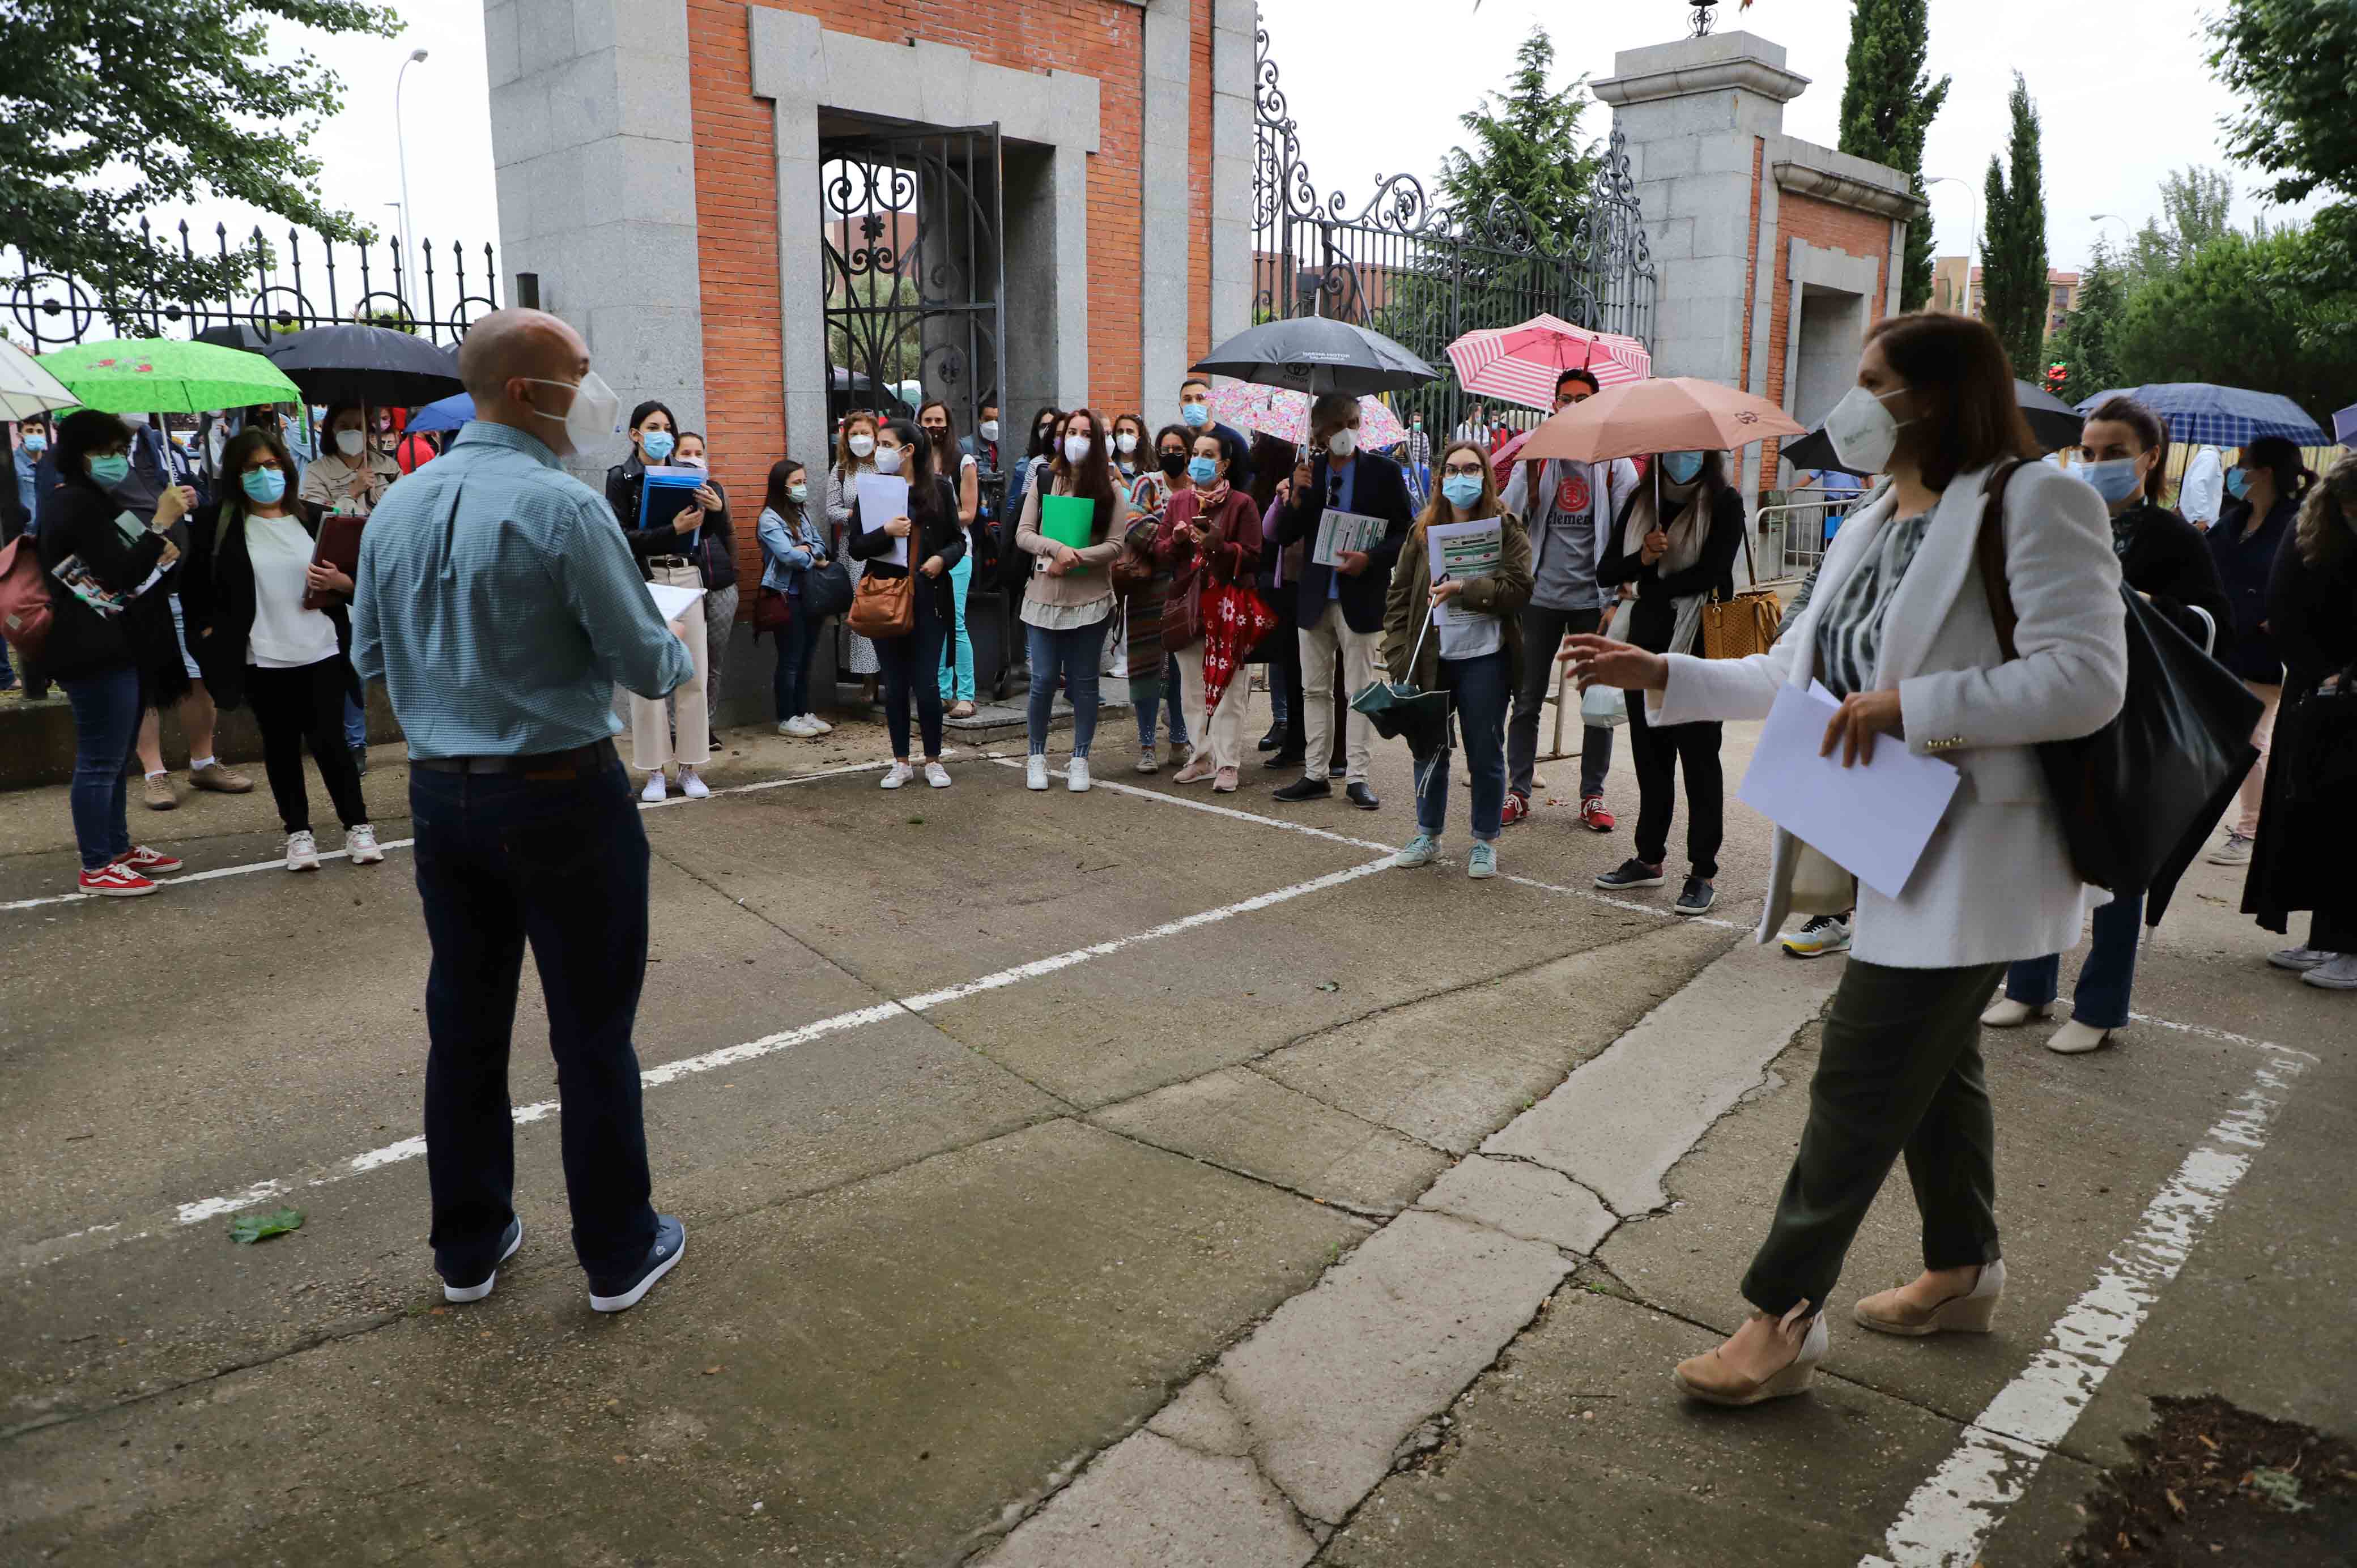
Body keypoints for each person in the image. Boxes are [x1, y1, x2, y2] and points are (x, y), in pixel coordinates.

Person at [1568, 309, 2126, 1406]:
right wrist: (1661, 674)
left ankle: (1780, 1318)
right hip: (1887, 841)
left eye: (1875, 379)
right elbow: (1792, 675)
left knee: (1861, 1074)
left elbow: (2086, 680)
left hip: (1977, 853)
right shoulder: (1875, 516)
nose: (1854, 397)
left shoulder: (2034, 500)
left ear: (1938, 395)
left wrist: (1915, 709)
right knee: (1932, 1073)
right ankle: (1964, 1270)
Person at [353, 306, 694, 1314]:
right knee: (591, 1031)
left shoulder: (398, 506)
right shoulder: (564, 508)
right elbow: (648, 660)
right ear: (522, 390)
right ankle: (617, 1250)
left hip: (442, 794)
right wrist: (655, 642)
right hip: (559, 791)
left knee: (464, 1021)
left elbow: (372, 659)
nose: (594, 392)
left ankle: (468, 1245)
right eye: (578, 373)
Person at [1982, 397, 2230, 1053]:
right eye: (2088, 453)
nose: (2096, 465)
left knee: (2120, 866)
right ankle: (2027, 985)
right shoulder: (2061, 519)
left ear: (2149, 458)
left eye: (2113, 453)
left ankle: (2098, 1005)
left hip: (2132, 721)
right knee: (2041, 851)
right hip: (2054, 710)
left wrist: (2147, 604)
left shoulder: (2174, 538)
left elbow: (2213, 627)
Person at [181, 424, 383, 873]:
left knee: (332, 744)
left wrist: (342, 585)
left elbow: (361, 582)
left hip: (323, 649)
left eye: (272, 465)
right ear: (236, 474)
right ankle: (298, 834)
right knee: (281, 748)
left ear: (286, 469)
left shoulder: (315, 518)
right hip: (262, 658)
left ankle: (358, 825)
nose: (264, 475)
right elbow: (194, 590)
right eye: (253, 468)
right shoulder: (218, 525)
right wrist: (211, 638)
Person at [32, 411, 192, 896]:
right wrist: (160, 521)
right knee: (99, 758)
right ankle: (96, 865)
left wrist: (157, 543)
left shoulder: (95, 501)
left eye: (121, 452)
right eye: (106, 452)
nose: (116, 461)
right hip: (91, 647)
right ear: (80, 455)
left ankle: (117, 847)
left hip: (116, 640)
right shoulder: (73, 504)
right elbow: (119, 574)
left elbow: (133, 560)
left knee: (117, 753)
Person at [1590, 446, 1745, 914]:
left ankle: (1702, 871)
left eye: (1693, 449)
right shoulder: (1643, 500)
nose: (1683, 457)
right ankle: (1648, 858)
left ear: (1708, 454)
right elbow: (1607, 571)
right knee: (1650, 755)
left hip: (1699, 643)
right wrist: (1643, 555)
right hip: (1646, 643)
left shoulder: (1725, 501)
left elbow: (1713, 572)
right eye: (1674, 450)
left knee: (1700, 759)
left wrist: (1646, 584)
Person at [1500, 367, 1641, 832]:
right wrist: (1533, 465)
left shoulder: (1614, 465)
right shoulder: (1537, 456)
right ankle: (1518, 790)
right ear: (1554, 403)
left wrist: (1619, 597)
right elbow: (1508, 513)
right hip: (1539, 597)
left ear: (1598, 404)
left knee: (1596, 700)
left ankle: (1592, 795)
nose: (1574, 405)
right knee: (1527, 698)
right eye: (1566, 398)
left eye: (1584, 398)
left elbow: (1625, 531)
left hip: (1592, 601)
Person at [1385, 441, 1534, 879]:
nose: (1460, 477)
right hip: (1431, 657)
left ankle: (1484, 841)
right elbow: (1398, 593)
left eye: (1471, 469)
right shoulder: (1422, 528)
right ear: (1440, 478)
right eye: (1452, 470)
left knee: (1486, 751)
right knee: (1428, 749)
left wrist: (1464, 589)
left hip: (1486, 658)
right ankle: (1428, 834)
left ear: (1486, 478)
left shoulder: (1506, 527)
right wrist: (1397, 650)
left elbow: (1521, 589)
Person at [2243, 454, 2357, 991]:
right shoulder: (2316, 530)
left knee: (2349, 822)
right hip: (2321, 693)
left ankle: (2351, 947)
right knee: (2316, 813)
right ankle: (2328, 938)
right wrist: (2324, 673)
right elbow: (2288, 607)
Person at [1270, 394, 1414, 809]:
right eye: (1336, 426)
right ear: (1318, 433)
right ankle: (1315, 774)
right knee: (1313, 689)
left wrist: (1370, 558)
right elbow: (1283, 536)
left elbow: (1404, 531)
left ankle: (1357, 777)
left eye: (1352, 422)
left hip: (1361, 595)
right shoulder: (1307, 472)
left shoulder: (1384, 472)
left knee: (1360, 690)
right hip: (1315, 596)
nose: (1345, 433)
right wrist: (1296, 498)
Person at [602, 400, 718, 802]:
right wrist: (671, 528)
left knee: (693, 674)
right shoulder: (621, 478)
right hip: (645, 579)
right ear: (635, 434)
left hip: (687, 575)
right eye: (653, 426)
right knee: (650, 677)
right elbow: (618, 536)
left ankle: (689, 767)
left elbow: (711, 530)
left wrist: (715, 511)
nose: (662, 434)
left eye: (667, 426)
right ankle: (654, 771)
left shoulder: (686, 474)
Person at [2203, 437, 2309, 866]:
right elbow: (2203, 566)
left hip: (2266, 652)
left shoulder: (2299, 524)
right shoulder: (2234, 521)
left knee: (2252, 740)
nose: (2235, 471)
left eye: (2242, 464)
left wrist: (2281, 617)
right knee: (2218, 737)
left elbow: (2310, 581)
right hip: (2225, 644)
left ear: (2265, 472)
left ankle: (2249, 832)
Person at [1014, 408, 1128, 791]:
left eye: (1086, 433)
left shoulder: (1111, 489)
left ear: (1098, 442)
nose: (1077, 439)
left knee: (1084, 684)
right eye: (1071, 432)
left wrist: (1078, 558)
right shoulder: (1045, 479)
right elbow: (1024, 534)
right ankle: (1036, 757)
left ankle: (1081, 759)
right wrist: (1058, 549)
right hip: (1044, 595)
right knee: (1043, 680)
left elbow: (1115, 546)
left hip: (1091, 598)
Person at [848, 418, 964, 789]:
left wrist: (941, 559)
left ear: (909, 450)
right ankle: (900, 761)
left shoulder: (940, 490)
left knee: (927, 683)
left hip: (928, 597)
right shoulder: (870, 491)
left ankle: (933, 759)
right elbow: (856, 547)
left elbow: (958, 541)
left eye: (885, 443)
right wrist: (886, 532)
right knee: (895, 685)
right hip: (885, 596)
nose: (878, 450)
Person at [1156, 428, 1263, 792]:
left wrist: (1223, 546)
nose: (1199, 461)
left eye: (1208, 455)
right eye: (1196, 454)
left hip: (1228, 605)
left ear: (1225, 464)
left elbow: (1254, 556)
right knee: (1191, 687)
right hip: (1189, 604)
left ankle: (1228, 763)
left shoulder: (1242, 504)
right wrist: (1178, 540)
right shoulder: (1179, 502)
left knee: (1231, 689)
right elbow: (1160, 553)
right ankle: (1200, 756)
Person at [303, 401, 404, 779]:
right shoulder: (317, 471)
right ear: (330, 429)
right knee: (352, 665)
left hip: (383, 572)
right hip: (337, 579)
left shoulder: (388, 466)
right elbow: (315, 521)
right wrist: (352, 489)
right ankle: (355, 743)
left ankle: (415, 733)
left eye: (358, 425)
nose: (351, 432)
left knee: (400, 658)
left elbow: (401, 513)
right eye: (343, 425)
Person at [1119, 424, 1195, 772]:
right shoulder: (1146, 482)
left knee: (1183, 668)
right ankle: (1147, 743)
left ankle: (1179, 739)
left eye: (1179, 450)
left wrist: (1166, 531)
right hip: (1148, 592)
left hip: (1188, 592)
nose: (1172, 456)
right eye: (1166, 449)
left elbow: (1207, 531)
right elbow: (1135, 527)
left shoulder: (1199, 487)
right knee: (1145, 667)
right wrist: (1176, 540)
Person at [759, 459, 835, 739]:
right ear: (782, 487)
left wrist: (806, 551)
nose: (802, 488)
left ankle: (803, 712)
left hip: (810, 595)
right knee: (790, 659)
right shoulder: (769, 519)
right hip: (785, 596)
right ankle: (786, 716)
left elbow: (820, 544)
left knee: (806, 658)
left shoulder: (800, 514)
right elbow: (786, 555)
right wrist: (812, 558)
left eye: (804, 482)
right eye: (797, 483)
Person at [668, 431, 738, 728]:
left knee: (713, 662)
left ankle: (704, 726)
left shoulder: (716, 490)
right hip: (681, 585)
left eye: (699, 453)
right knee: (679, 660)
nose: (693, 460)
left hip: (720, 584)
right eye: (686, 453)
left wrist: (733, 571)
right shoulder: (665, 489)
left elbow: (729, 533)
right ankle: (674, 728)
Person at [918, 399, 982, 719]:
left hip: (957, 552)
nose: (933, 426)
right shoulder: (916, 461)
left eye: (938, 420)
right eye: (927, 420)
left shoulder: (964, 461)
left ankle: (967, 694)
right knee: (936, 623)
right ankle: (943, 693)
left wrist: (938, 519)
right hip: (924, 553)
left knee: (956, 622)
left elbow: (969, 512)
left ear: (948, 423)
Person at [1250, 434, 1307, 770]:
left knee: (1298, 662)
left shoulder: (1308, 476)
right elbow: (1268, 531)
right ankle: (1282, 721)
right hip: (1271, 575)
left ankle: (1300, 732)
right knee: (1279, 654)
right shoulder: (1260, 482)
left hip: (1297, 577)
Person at [828, 412, 884, 705]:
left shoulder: (886, 464)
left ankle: (894, 674)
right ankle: (868, 681)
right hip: (855, 551)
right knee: (862, 613)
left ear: (876, 435)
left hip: (888, 545)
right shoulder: (842, 469)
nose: (860, 439)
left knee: (888, 608)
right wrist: (857, 515)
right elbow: (832, 510)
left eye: (865, 433)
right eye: (854, 434)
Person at [1177, 376, 1256, 495]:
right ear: (1180, 407)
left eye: (1200, 398)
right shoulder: (1178, 440)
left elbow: (1245, 484)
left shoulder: (1233, 440)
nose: (1194, 404)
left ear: (1212, 402)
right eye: (1188, 400)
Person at [1002, 406, 1062, 554]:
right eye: (1044, 426)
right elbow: (1019, 503)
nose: (1048, 430)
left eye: (1052, 425)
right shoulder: (1031, 464)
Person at [2179, 443, 2223, 531]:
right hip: (2199, 523)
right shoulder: (2210, 457)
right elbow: (2197, 484)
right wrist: (2202, 517)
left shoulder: (2210, 456)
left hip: (2198, 521)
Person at [1110, 412, 1151, 486]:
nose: (1124, 435)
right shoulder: (1110, 468)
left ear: (1139, 437)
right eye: (1120, 431)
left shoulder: (1150, 468)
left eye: (1130, 431)